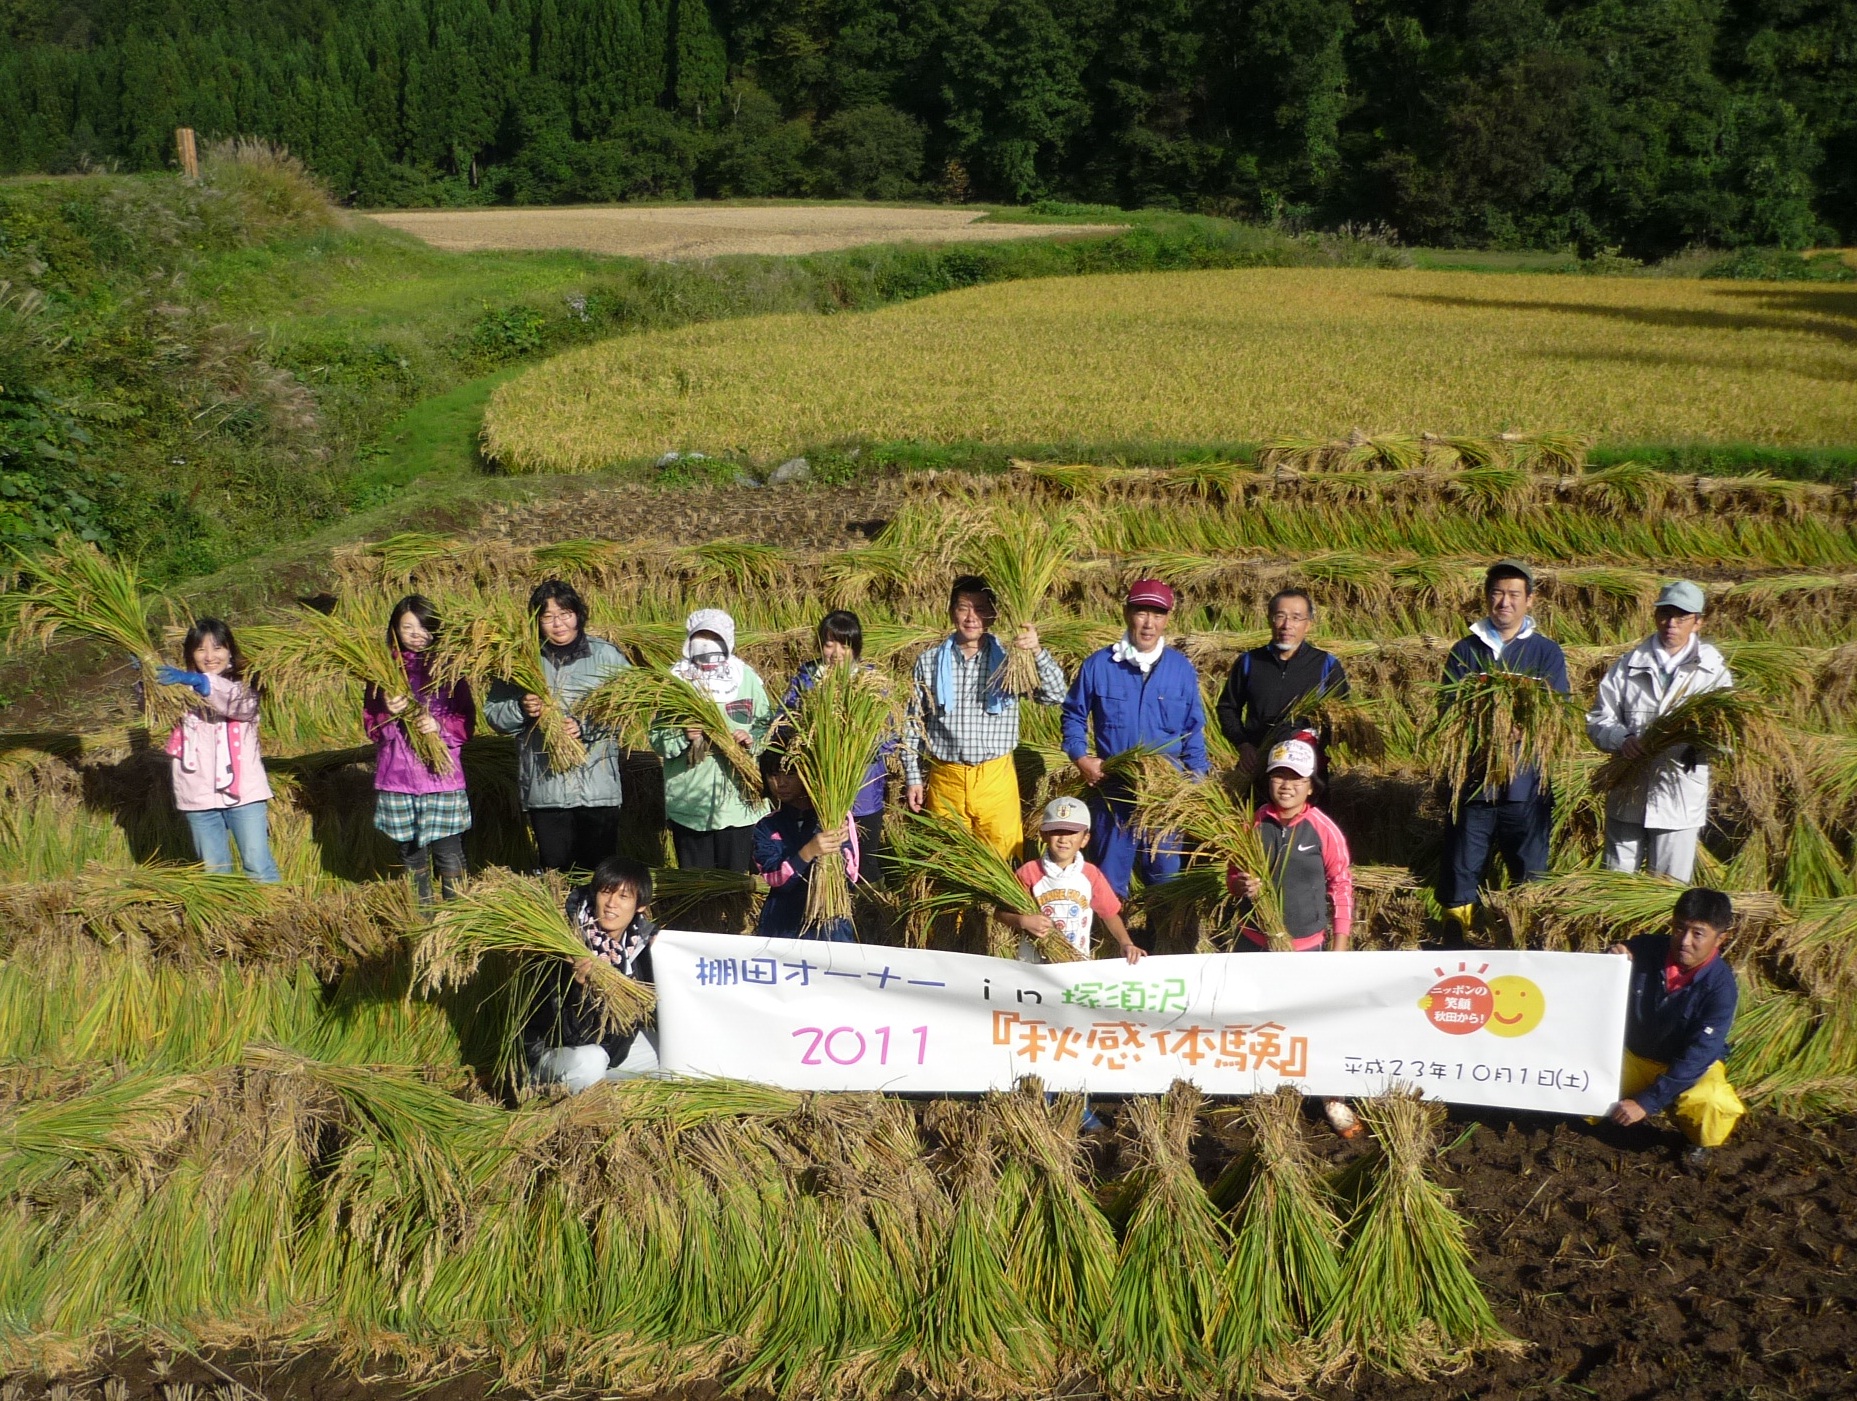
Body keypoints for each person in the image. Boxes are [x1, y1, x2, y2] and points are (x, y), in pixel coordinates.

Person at [1225, 735, 1358, 1136]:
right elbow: (1231, 876)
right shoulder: (1252, 823)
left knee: (1314, 1024)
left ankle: (1332, 1097)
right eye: (1279, 776)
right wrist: (1240, 886)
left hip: (1306, 946)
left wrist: (1339, 946)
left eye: (1296, 778)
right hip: (1254, 941)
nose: (1286, 785)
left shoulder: (1322, 828)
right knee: (1259, 1021)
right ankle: (1264, 1092)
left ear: (1311, 785)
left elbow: (1342, 886)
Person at [1438, 559, 1570, 941]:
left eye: (1514, 594)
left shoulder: (1546, 653)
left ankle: (1525, 939)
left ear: (1530, 600)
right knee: (1463, 868)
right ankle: (1458, 943)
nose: (1504, 602)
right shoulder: (1466, 649)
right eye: (1497, 593)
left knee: (1529, 869)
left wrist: (1523, 730)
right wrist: (1485, 726)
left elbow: (1557, 710)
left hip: (1526, 788)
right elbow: (1447, 709)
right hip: (1476, 786)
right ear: (1486, 598)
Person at [1060, 578, 1209, 899]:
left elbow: (1193, 733)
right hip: (1115, 797)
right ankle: (1114, 944)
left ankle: (1160, 945)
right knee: (1109, 887)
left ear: (1167, 618)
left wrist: (1196, 789)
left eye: (1157, 614)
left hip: (1166, 799)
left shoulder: (1180, 669)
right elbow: (1073, 716)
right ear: (1127, 613)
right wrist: (1080, 757)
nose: (1149, 623)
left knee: (1165, 884)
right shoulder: (1099, 666)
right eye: (1142, 612)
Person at [903, 573, 1066, 862]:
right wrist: (914, 777)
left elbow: (1055, 695)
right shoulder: (928, 662)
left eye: (980, 608)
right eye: (964, 607)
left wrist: (1037, 651)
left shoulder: (1011, 659)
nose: (971, 617)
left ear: (993, 614)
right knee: (949, 864)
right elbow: (914, 722)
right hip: (946, 778)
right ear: (951, 611)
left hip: (995, 779)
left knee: (1002, 863)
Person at [1586, 581, 1732, 884]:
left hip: (1679, 797)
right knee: (1615, 885)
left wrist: (1700, 739)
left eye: (1681, 617)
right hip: (1628, 790)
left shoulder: (1712, 672)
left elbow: (1729, 737)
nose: (1671, 624)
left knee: (1668, 889)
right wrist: (1621, 740)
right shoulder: (1628, 665)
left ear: (1698, 621)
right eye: (1665, 614)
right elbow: (1598, 720)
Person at [484, 580, 630, 874]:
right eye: (547, 617)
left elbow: (626, 709)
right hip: (546, 786)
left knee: (599, 873)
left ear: (578, 614)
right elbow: (494, 714)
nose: (558, 623)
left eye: (564, 614)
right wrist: (521, 708)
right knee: (555, 869)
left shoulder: (607, 656)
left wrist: (585, 726)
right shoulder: (519, 660)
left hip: (596, 784)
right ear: (536, 621)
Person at [1607, 887, 1745, 1166]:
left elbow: (1699, 1056)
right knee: (1586, 1082)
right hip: (1636, 1055)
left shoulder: (1721, 989)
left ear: (1721, 938)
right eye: (1679, 928)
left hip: (1688, 1066)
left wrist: (1647, 1102)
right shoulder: (1645, 949)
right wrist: (1610, 959)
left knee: (1713, 1103)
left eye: (1698, 933)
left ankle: (1697, 1143)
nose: (1684, 941)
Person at [363, 594, 474, 909]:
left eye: (423, 626)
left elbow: (466, 722)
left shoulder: (449, 670)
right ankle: (421, 916)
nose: (415, 634)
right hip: (398, 777)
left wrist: (437, 726)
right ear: (394, 629)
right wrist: (386, 710)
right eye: (406, 626)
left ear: (435, 629)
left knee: (449, 851)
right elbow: (371, 727)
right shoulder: (381, 672)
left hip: (442, 776)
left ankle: (456, 917)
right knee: (410, 853)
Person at [159, 618, 281, 882]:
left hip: (244, 794)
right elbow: (152, 710)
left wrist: (202, 683)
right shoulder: (178, 690)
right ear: (191, 653)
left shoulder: (246, 684)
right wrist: (145, 679)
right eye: (201, 649)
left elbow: (240, 706)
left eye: (217, 648)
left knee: (258, 865)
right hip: (197, 793)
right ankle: (228, 921)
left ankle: (275, 916)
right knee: (215, 874)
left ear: (230, 651)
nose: (210, 656)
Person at [653, 608, 772, 874]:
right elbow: (658, 737)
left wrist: (752, 740)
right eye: (701, 636)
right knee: (698, 887)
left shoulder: (746, 679)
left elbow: (768, 725)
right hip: (691, 804)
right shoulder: (675, 681)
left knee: (736, 883)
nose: (707, 644)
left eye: (713, 637)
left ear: (727, 640)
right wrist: (682, 736)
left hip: (740, 804)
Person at [525, 856, 659, 1092]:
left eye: (623, 896)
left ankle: (599, 1083)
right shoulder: (567, 945)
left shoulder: (639, 945)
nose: (611, 903)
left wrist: (663, 948)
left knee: (675, 1052)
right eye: (605, 892)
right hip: (557, 1053)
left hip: (611, 1051)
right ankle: (547, 1088)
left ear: (640, 906)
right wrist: (578, 988)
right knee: (590, 1062)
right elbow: (571, 1037)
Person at [782, 610, 895, 881]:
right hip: (814, 791)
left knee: (863, 866)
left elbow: (890, 735)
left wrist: (856, 745)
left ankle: (865, 918)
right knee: (820, 862)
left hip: (862, 793)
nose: (836, 652)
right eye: (829, 643)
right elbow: (784, 721)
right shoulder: (806, 680)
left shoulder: (871, 683)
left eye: (845, 645)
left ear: (855, 648)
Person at [1215, 588, 1350, 775]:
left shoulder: (1326, 665)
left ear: (1308, 624)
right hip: (1257, 766)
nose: (1287, 625)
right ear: (1270, 619)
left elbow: (1343, 718)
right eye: (1280, 616)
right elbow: (1227, 707)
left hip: (1306, 770)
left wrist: (1311, 743)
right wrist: (1243, 745)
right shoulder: (1249, 661)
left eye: (1296, 618)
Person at [997, 796, 1144, 965]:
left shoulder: (1090, 875)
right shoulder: (1029, 872)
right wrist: (1022, 921)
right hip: (1033, 964)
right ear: (1044, 835)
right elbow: (1000, 912)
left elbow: (1109, 914)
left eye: (1072, 832)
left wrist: (1126, 943)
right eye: (1057, 831)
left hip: (1075, 963)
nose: (1063, 839)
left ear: (1085, 839)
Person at [752, 748, 858, 942]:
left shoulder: (836, 818)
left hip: (831, 926)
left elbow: (851, 876)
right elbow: (773, 878)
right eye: (773, 775)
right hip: (782, 926)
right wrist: (808, 852)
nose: (781, 783)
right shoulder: (766, 826)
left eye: (790, 775)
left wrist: (838, 849)